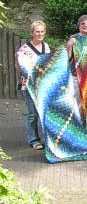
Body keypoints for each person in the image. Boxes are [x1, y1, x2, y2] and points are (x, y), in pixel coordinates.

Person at [15, 20, 51, 150]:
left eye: (42, 31)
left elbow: (47, 65)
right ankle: (33, 139)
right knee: (32, 113)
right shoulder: (24, 49)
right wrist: (17, 61)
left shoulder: (46, 47)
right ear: (32, 33)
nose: (40, 34)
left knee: (44, 112)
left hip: (42, 85)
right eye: (37, 31)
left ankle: (47, 138)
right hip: (29, 85)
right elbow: (20, 70)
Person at [66, 14, 87, 106]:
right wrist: (69, 45)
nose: (85, 25)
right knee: (77, 103)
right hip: (76, 75)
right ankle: (79, 120)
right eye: (83, 23)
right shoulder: (73, 38)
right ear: (79, 26)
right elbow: (67, 57)